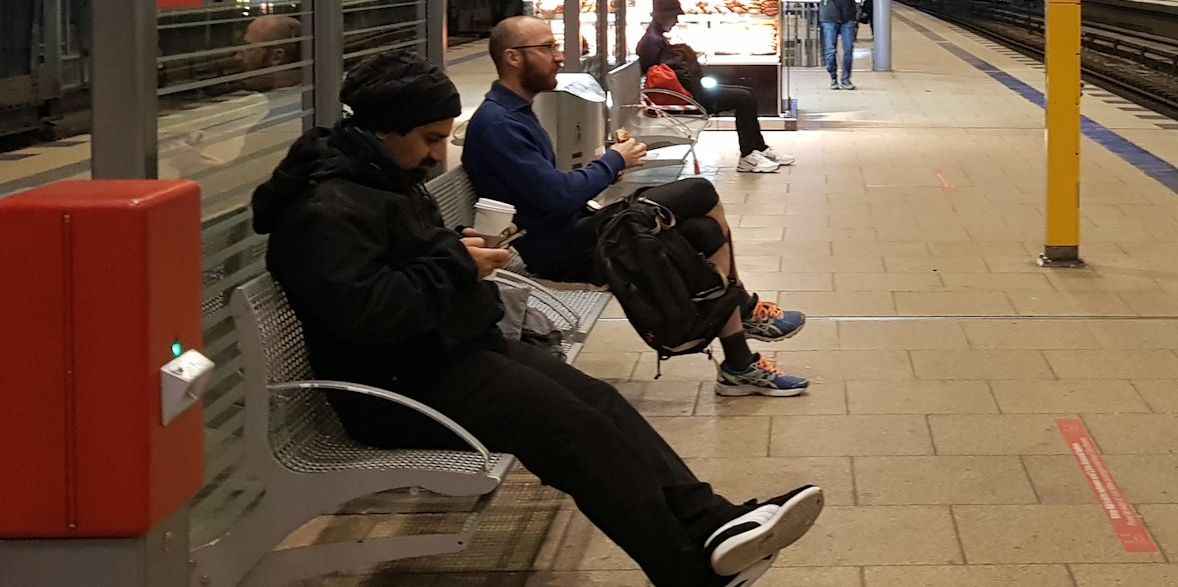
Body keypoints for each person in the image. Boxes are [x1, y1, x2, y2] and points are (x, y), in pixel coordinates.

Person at [254, 52, 825, 587]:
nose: (436, 155)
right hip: (398, 386)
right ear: (383, 132)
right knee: (573, 431)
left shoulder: (377, 180)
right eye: (429, 139)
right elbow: (367, 312)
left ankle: (713, 522)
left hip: (444, 352)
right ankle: (692, 569)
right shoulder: (323, 210)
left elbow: (402, 269)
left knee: (598, 403)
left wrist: (457, 252)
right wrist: (456, 262)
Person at [462, 15, 807, 356]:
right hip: (558, 249)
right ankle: (742, 310)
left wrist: (611, 167)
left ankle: (739, 361)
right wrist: (614, 161)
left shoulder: (514, 114)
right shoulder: (499, 125)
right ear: (513, 57)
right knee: (699, 192)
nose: (559, 55)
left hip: (573, 231)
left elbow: (551, 192)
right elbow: (560, 195)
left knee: (703, 231)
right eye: (547, 47)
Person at [637, 0, 795, 173]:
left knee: (747, 93)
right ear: (661, 16)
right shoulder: (652, 41)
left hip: (688, 92)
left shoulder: (656, 37)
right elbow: (656, 77)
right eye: (674, 16)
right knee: (744, 98)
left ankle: (758, 148)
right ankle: (748, 154)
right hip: (685, 97)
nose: (675, 21)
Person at [817, 0, 862, 90]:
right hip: (829, 16)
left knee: (848, 49)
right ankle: (833, 77)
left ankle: (846, 79)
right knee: (831, 50)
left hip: (847, 15)